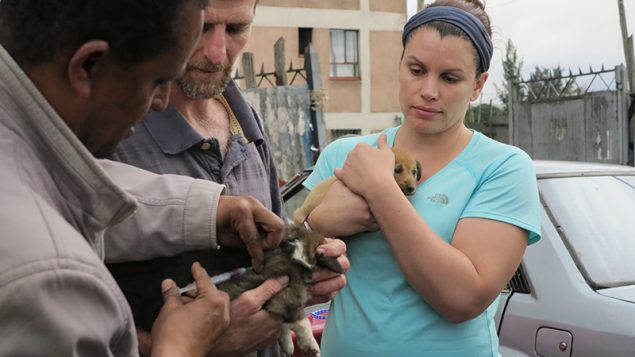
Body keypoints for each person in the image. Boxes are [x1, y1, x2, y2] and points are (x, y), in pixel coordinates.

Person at [0, 0, 289, 356]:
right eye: (156, 81)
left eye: (235, 29)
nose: (160, 103)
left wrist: (206, 210)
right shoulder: (45, 278)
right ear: (88, 66)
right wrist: (182, 347)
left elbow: (76, 186)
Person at [107, 0, 349, 356]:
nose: (218, 53)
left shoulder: (247, 121)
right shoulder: (110, 133)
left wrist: (305, 268)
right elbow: (61, 315)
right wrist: (196, 346)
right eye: (202, 26)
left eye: (236, 29)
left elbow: (271, 249)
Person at [303, 1, 542, 356]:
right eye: (416, 70)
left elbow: (463, 298)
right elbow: (298, 264)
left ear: (478, 86)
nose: (429, 90)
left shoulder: (503, 168)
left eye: (450, 77)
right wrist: (318, 222)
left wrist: (381, 189)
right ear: (399, 66)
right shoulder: (345, 155)